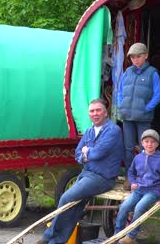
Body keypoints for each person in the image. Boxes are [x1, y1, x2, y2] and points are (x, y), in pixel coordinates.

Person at [37, 99, 124, 244]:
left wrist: (87, 152)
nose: (95, 114)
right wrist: (86, 154)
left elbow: (98, 153)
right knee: (74, 207)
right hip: (87, 174)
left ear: (105, 112)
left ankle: (47, 238)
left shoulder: (113, 131)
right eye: (92, 111)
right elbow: (77, 153)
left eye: (98, 110)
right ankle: (57, 241)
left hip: (102, 178)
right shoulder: (90, 131)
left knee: (66, 198)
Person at [114, 129, 160, 244]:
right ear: (142, 143)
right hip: (138, 189)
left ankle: (131, 236)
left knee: (139, 208)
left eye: (153, 142)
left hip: (153, 191)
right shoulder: (138, 158)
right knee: (123, 207)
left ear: (157, 144)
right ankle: (117, 234)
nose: (149, 144)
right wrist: (133, 181)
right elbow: (130, 172)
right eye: (147, 141)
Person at [118, 42, 160, 189]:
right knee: (128, 148)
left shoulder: (152, 73)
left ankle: (146, 178)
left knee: (146, 148)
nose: (135, 60)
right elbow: (120, 91)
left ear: (145, 56)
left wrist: (146, 108)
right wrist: (121, 104)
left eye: (138, 56)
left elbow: (158, 95)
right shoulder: (127, 72)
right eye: (132, 57)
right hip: (127, 117)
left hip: (143, 118)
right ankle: (129, 178)